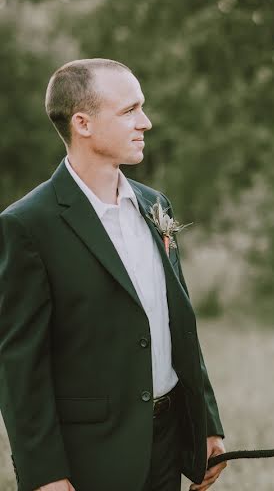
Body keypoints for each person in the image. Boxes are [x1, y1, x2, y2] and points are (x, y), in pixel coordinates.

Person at [0, 59, 227, 491]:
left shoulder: (155, 205)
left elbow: (177, 321)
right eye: (129, 111)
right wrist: (45, 475)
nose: (146, 121)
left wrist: (207, 425)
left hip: (166, 444)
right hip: (92, 454)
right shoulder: (27, 225)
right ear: (82, 123)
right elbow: (19, 367)